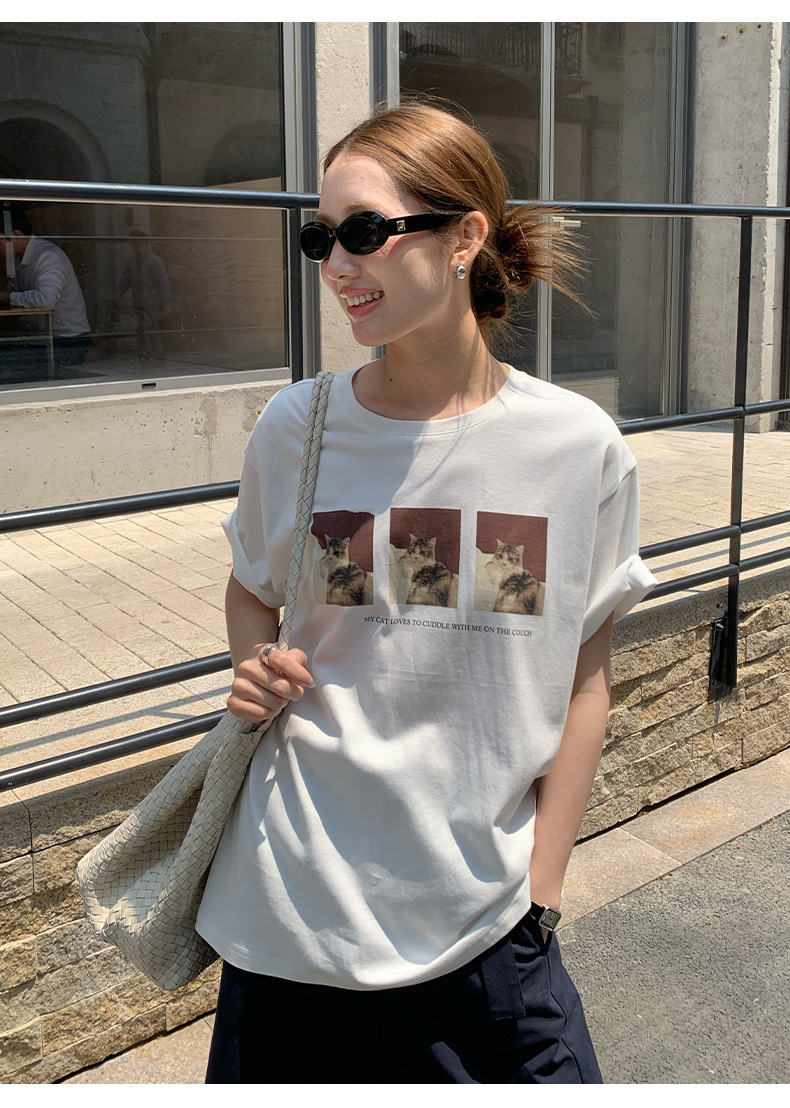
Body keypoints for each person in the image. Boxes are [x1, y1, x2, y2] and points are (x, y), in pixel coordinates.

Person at [196, 103, 657, 1084]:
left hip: (487, 928)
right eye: (321, 237)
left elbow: (584, 684)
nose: (336, 264)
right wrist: (252, 663)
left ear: (463, 238)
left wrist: (542, 888)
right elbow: (250, 590)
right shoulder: (297, 427)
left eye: (364, 230)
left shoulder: (575, 446)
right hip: (293, 915)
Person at [0, 205, 92, 377]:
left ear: (16, 235)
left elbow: (46, 300)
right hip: (40, 338)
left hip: (68, 342)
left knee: (7, 361)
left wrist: (6, 296)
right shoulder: (17, 260)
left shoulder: (48, 256)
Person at [113, 229, 171, 360]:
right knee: (144, 331)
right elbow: (126, 279)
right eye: (134, 244)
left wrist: (166, 304)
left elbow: (164, 284)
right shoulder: (132, 263)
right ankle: (148, 356)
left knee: (150, 330)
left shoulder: (155, 262)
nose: (136, 247)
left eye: (139, 244)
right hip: (139, 303)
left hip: (153, 303)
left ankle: (157, 357)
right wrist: (118, 292)